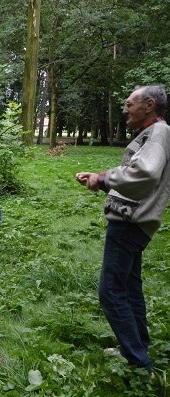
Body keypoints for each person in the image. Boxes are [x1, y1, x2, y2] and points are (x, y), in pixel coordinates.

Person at [76, 85, 170, 374]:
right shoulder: (156, 133)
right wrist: (102, 181)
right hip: (133, 221)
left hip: (130, 223)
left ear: (149, 105)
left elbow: (144, 173)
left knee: (111, 291)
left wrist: (103, 178)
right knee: (129, 288)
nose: (125, 109)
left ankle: (139, 362)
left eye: (130, 104)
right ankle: (137, 347)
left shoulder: (159, 133)